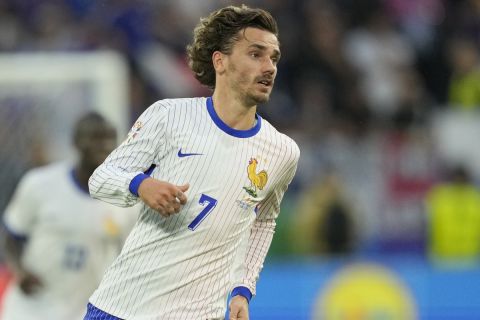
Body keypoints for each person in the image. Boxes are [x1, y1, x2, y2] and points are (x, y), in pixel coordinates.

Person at [84, 4, 300, 320]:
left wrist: (243, 289)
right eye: (256, 54)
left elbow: (264, 220)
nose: (269, 67)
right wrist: (140, 184)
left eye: (274, 58)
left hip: (199, 313)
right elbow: (101, 178)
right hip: (122, 307)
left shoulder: (282, 152)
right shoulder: (169, 116)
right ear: (220, 61)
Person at [1, 113, 138, 320]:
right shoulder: (39, 184)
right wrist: (20, 272)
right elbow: (12, 237)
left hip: (82, 310)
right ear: (76, 142)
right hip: (31, 308)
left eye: (109, 139)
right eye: (95, 138)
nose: (103, 145)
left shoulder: (126, 201)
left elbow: (128, 258)